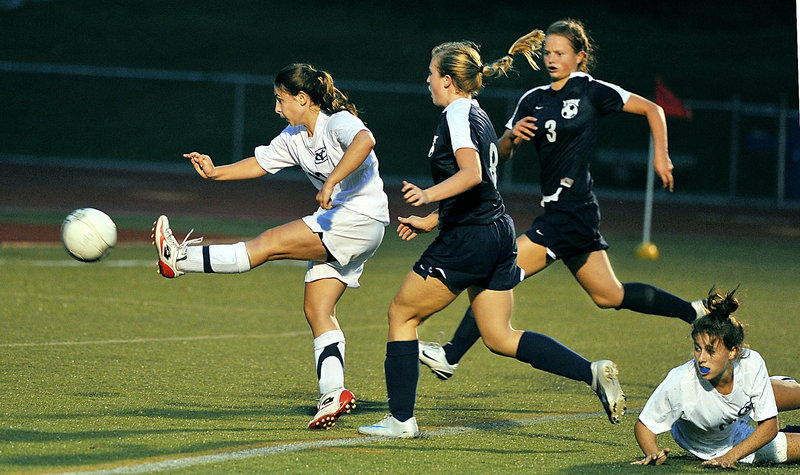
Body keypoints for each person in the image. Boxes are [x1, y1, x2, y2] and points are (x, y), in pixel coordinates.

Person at [358, 31, 626, 439]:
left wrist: (428, 196)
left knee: (401, 314)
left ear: (448, 79)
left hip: (470, 238)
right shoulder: (477, 113)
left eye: (431, 73)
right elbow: (482, 185)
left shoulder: (456, 115)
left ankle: (400, 419)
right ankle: (589, 372)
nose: (427, 80)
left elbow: (472, 175)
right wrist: (431, 220)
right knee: (500, 336)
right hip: (498, 232)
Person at [419, 18, 708, 382]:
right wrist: (513, 139)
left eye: (560, 53)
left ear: (580, 56)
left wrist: (661, 155)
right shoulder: (533, 99)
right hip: (568, 213)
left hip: (569, 210)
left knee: (499, 269)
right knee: (609, 295)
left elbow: (653, 109)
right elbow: (498, 155)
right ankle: (693, 311)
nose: (552, 59)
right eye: (547, 53)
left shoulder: (592, 91)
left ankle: (449, 354)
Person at [152, 63, 390, 431]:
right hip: (352, 226)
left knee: (267, 244)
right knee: (317, 308)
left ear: (302, 98)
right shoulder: (294, 136)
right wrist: (217, 173)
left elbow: (365, 141)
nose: (277, 108)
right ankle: (333, 393)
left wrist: (330, 184)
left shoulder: (336, 121)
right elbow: (260, 163)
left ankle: (179, 259)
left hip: (358, 218)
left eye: (281, 100)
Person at [633, 288, 800, 468]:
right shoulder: (681, 383)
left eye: (710, 350)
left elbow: (769, 425)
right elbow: (644, 426)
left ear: (733, 352)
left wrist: (731, 458)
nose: (701, 358)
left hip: (742, 409)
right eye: (698, 348)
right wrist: (652, 451)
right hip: (721, 446)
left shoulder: (750, 362)